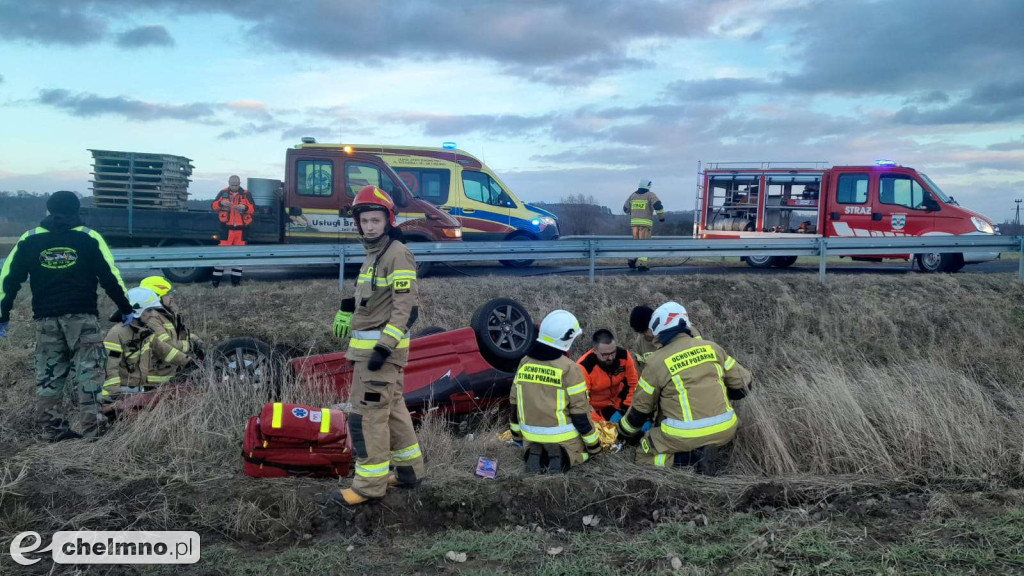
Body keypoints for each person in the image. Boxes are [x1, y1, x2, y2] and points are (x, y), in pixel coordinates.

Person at [0, 191, 133, 440]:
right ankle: (94, 430)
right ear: (76, 212)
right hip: (83, 318)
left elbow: (8, 279)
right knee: (90, 372)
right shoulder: (88, 237)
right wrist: (125, 308)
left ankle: (52, 430)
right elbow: (110, 276)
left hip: (45, 319)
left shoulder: (29, 239)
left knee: (49, 373)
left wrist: (2, 314)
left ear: (48, 211)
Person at [331, 185, 424, 506]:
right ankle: (410, 471)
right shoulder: (375, 255)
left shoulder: (397, 254)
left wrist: (384, 347)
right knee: (394, 409)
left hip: (379, 355)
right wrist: (347, 307)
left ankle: (368, 487)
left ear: (388, 221)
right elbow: (372, 298)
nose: (369, 226)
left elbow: (406, 308)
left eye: (375, 220)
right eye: (365, 221)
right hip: (371, 353)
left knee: (365, 416)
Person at [617, 302, 752, 470]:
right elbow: (744, 385)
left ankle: (693, 460)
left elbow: (640, 410)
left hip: (684, 435)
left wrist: (623, 432)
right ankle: (711, 446)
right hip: (726, 428)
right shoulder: (712, 347)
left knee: (643, 455)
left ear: (658, 330)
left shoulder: (655, 361)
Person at [509, 310, 602, 474]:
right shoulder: (569, 368)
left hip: (529, 435)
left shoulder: (524, 362)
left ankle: (534, 452)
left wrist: (517, 439)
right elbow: (580, 415)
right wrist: (595, 448)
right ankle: (564, 457)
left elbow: (514, 405)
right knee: (582, 453)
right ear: (567, 340)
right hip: (563, 438)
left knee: (534, 445)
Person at [576, 329, 639, 421]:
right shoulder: (584, 367)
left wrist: (624, 408)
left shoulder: (624, 355)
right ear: (595, 351)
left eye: (613, 352)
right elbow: (582, 402)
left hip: (620, 402)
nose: (610, 357)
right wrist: (601, 422)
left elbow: (633, 385)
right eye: (605, 355)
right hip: (597, 409)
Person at [139, 275, 202, 358]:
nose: (171, 297)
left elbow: (180, 335)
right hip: (162, 368)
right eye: (167, 294)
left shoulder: (166, 314)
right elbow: (168, 346)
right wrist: (191, 346)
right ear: (156, 297)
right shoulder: (150, 319)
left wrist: (196, 340)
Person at [210, 175, 254, 287]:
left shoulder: (246, 193)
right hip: (226, 231)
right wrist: (221, 203)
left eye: (236, 184)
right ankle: (215, 284)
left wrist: (244, 208)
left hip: (241, 231)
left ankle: (235, 283)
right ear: (229, 183)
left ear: (239, 183)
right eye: (232, 184)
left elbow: (253, 208)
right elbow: (213, 206)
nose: (234, 187)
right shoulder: (223, 193)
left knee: (238, 259)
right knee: (221, 258)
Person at [622, 178, 665, 271]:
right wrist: (661, 217)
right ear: (648, 185)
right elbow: (658, 206)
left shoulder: (632, 196)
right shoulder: (650, 195)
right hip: (645, 225)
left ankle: (632, 260)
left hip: (634, 225)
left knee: (635, 244)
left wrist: (634, 212)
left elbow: (625, 209)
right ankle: (642, 264)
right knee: (645, 244)